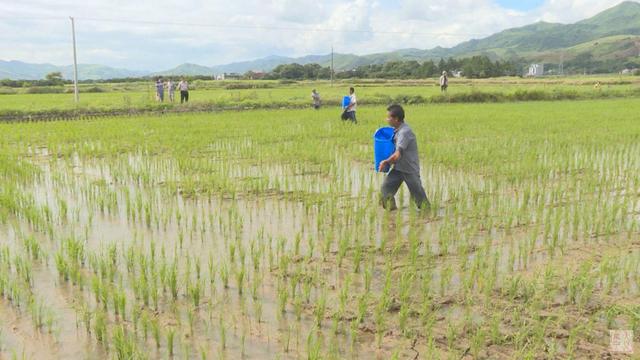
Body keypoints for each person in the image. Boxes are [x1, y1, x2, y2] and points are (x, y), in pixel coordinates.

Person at [378, 104, 430, 210]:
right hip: (398, 168)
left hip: (409, 169)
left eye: (389, 117)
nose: (387, 119)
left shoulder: (404, 132)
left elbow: (397, 155)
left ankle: (429, 214)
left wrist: (386, 161)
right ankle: (392, 214)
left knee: (420, 199)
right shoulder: (396, 130)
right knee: (386, 189)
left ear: (396, 119)